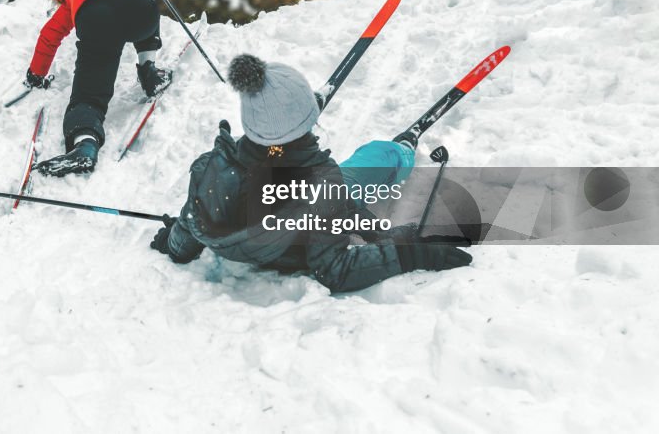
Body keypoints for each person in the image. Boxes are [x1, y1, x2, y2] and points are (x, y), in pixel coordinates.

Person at [148, 53, 472, 294]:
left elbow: (190, 227)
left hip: (274, 226)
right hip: (296, 238)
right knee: (373, 158)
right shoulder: (324, 185)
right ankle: (403, 148)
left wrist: (172, 242)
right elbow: (335, 270)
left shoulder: (213, 165)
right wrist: (409, 253)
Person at [25, 0, 172, 177]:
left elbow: (49, 36)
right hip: (141, 7)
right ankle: (149, 71)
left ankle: (85, 144)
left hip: (96, 18)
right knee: (141, 11)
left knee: (89, 94)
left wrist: (36, 75)